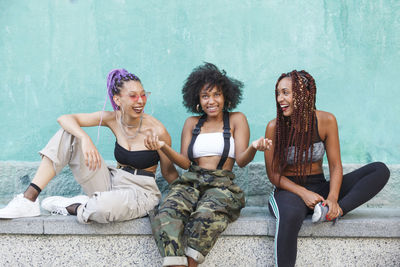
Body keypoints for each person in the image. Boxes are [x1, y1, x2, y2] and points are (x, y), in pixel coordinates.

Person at [0, 69, 178, 224]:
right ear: (117, 100)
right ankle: (28, 200)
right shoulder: (112, 119)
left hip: (141, 192)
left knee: (100, 209)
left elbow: (169, 172)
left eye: (143, 94)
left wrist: (188, 197)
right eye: (133, 96)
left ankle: (75, 206)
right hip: (112, 181)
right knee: (68, 132)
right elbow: (65, 118)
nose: (140, 101)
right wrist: (85, 138)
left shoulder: (157, 130)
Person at [144, 62, 271, 267]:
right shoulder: (192, 123)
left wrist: (254, 147)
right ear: (197, 99)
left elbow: (241, 160)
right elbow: (185, 163)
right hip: (191, 181)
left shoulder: (237, 119)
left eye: (216, 95)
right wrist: (162, 147)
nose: (211, 101)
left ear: (226, 97)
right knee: (165, 214)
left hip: (222, 185)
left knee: (205, 216)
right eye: (205, 96)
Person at [264, 70, 390, 267]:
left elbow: (335, 165)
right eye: (278, 93)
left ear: (304, 94)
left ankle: (332, 212)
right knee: (290, 216)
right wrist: (303, 193)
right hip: (288, 192)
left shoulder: (326, 121)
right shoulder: (274, 127)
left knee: (379, 170)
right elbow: (273, 175)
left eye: (286, 92)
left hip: (320, 189)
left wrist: (332, 198)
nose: (280, 98)